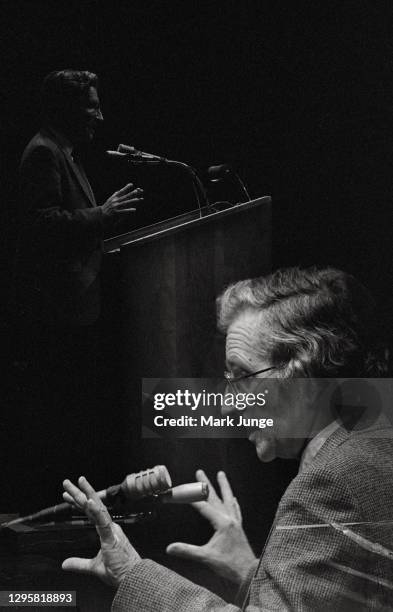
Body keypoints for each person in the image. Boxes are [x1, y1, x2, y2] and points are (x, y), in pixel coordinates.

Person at [61, 267, 393, 611]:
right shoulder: (373, 444)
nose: (227, 405)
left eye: (244, 375)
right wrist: (249, 571)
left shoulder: (331, 483)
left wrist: (131, 574)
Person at [12, 70, 144, 508]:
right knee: (62, 414)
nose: (100, 116)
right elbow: (40, 226)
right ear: (66, 108)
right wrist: (102, 215)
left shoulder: (63, 152)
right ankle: (59, 506)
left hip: (79, 304)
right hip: (59, 309)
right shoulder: (43, 154)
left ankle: (75, 503)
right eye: (90, 106)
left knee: (76, 413)